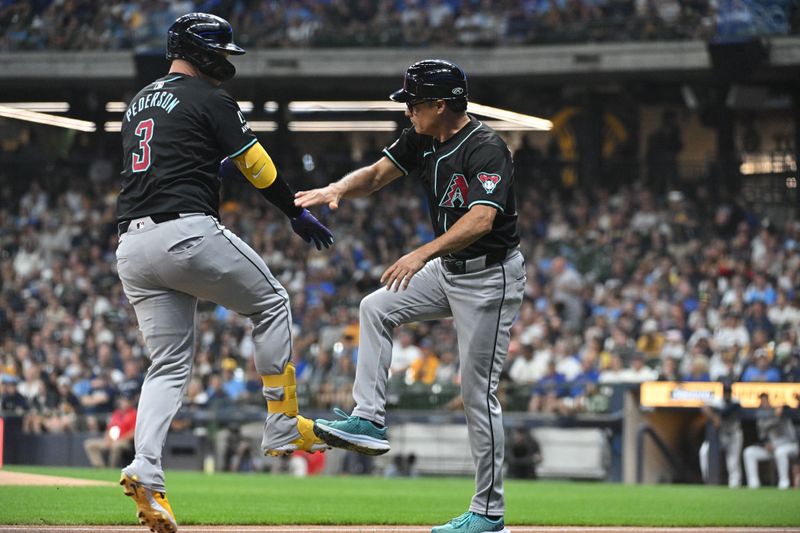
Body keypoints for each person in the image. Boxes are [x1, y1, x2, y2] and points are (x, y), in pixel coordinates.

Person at [114, 13, 334, 533]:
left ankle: (146, 467)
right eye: (221, 52)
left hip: (131, 245)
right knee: (274, 303)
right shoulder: (210, 98)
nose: (226, 61)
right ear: (201, 50)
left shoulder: (136, 102)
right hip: (184, 232)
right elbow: (254, 164)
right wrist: (293, 210)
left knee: (167, 364)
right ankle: (282, 425)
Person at [297, 59, 524, 533]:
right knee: (375, 306)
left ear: (441, 104)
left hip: (490, 277)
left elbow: (482, 219)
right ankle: (369, 419)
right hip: (450, 268)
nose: (408, 112)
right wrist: (337, 187)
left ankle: (489, 512)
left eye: (415, 104)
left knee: (476, 394)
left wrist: (421, 254)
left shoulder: (486, 147)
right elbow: (378, 175)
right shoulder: (424, 137)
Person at [743, 393, 799, 489]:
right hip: (772, 448)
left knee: (780, 452)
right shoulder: (761, 418)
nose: (764, 403)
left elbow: (792, 410)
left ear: (770, 401)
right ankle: (753, 484)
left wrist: (782, 408)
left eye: (765, 401)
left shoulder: (782, 412)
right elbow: (762, 436)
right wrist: (765, 444)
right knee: (749, 452)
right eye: (761, 401)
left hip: (790, 445)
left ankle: (784, 483)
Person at [698, 384, 743, 488]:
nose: (727, 394)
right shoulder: (717, 400)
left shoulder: (736, 401)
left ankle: (735, 484)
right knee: (704, 452)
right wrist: (714, 417)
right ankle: (707, 479)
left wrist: (718, 416)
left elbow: (726, 412)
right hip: (720, 435)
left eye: (728, 392)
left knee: (733, 461)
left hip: (734, 434)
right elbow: (703, 407)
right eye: (725, 392)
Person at [83, 393, 137, 468]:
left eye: (126, 401)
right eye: (123, 401)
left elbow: (133, 432)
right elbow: (108, 429)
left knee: (116, 446)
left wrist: (120, 439)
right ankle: (100, 468)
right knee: (89, 444)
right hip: (111, 441)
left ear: (130, 402)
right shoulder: (116, 413)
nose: (124, 403)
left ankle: (112, 468)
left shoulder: (134, 413)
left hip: (125, 442)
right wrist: (107, 439)